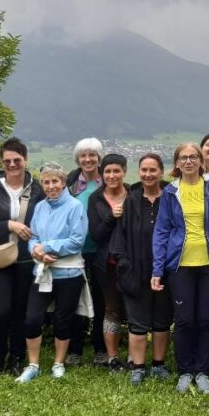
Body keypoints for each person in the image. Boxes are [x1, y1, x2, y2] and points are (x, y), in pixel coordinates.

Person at [152, 142, 209, 395]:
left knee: (207, 319)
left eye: (193, 157)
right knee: (185, 320)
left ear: (200, 161)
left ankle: (203, 371)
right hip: (179, 266)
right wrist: (157, 269)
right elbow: (162, 231)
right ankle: (185, 370)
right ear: (177, 163)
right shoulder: (169, 193)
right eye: (183, 158)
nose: (188, 161)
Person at [0, 137, 45, 377]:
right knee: (0, 310)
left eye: (17, 160)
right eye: (8, 161)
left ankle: (17, 356)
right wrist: (10, 225)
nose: (13, 165)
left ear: (25, 160)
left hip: (28, 259)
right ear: (2, 162)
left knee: (20, 310)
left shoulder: (38, 189)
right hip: (0, 258)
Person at [17, 162, 88, 382]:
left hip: (68, 273)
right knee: (32, 318)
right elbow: (34, 236)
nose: (51, 186)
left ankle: (58, 363)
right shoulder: (40, 207)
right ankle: (33, 364)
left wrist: (46, 248)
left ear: (63, 182)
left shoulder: (75, 206)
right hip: (43, 271)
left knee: (63, 319)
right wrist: (36, 251)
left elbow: (76, 241)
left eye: (55, 181)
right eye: (46, 182)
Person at [109, 153, 173, 385]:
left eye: (152, 170)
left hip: (165, 272)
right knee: (137, 322)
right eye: (144, 170)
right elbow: (119, 239)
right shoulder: (132, 200)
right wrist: (125, 265)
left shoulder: (171, 199)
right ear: (139, 172)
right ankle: (138, 366)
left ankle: (158, 364)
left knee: (162, 321)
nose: (148, 174)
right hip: (135, 271)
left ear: (161, 172)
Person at [87, 154, 130, 371]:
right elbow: (96, 235)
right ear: (102, 174)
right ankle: (113, 357)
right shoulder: (96, 199)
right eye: (107, 172)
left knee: (133, 308)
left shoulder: (134, 193)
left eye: (116, 171)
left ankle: (134, 356)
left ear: (124, 171)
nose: (112, 176)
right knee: (112, 308)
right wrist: (112, 216)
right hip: (106, 264)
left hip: (132, 262)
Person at [66, 137, 105, 366]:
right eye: (83, 155)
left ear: (99, 158)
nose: (88, 159)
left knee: (101, 300)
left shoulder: (107, 181)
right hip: (75, 251)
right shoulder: (70, 184)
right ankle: (75, 350)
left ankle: (100, 348)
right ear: (78, 159)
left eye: (92, 155)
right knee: (74, 299)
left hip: (101, 250)